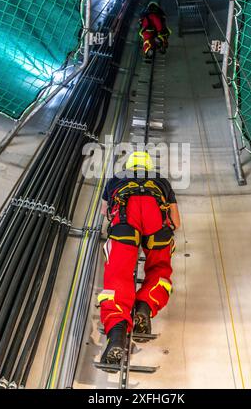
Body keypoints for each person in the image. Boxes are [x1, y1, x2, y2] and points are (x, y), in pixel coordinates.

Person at [99, 151, 180, 365]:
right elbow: (176, 221)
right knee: (160, 270)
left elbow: (104, 212)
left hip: (126, 223)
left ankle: (117, 333)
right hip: (157, 224)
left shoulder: (116, 178)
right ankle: (145, 306)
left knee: (118, 276)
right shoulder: (162, 181)